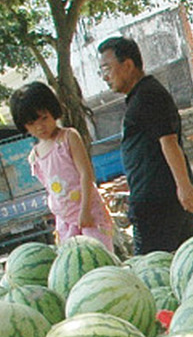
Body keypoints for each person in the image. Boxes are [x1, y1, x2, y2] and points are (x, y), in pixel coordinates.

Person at [97, 35, 193, 254]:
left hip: (161, 204)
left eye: (107, 69)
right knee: (187, 257)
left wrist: (183, 187)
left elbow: (169, 142)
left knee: (154, 268)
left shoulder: (149, 96)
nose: (105, 77)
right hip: (159, 201)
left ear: (127, 65)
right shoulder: (140, 96)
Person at [9, 80, 115, 251]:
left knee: (100, 258)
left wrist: (85, 210)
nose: (40, 127)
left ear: (54, 113)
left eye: (44, 118)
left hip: (90, 213)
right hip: (64, 222)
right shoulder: (35, 156)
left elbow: (86, 174)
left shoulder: (68, 138)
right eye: (32, 123)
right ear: (24, 126)